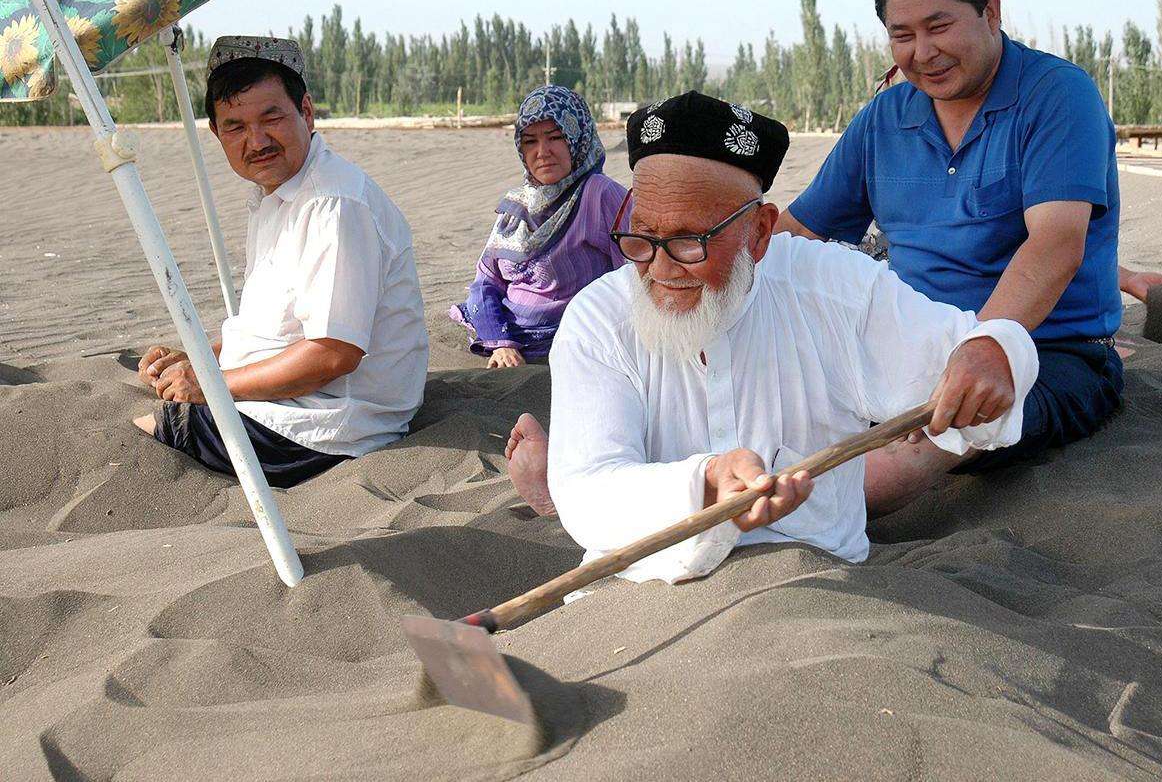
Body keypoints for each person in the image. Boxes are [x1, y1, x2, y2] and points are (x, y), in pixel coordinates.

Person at [506, 92, 1038, 583]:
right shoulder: (599, 318)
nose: (660, 268)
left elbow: (974, 354)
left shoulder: (836, 290)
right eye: (642, 238)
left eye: (690, 241)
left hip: (824, 588)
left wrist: (992, 353)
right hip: (646, 588)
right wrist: (706, 486)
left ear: (759, 233)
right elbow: (589, 493)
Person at [775, 0, 1162, 516]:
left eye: (939, 26)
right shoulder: (885, 118)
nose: (923, 53)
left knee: (899, 463)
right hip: (906, 343)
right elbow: (795, 236)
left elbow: (1055, 244)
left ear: (991, 11)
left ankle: (803, 510)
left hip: (1044, 352)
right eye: (902, 35)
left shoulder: (1058, 96)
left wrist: (989, 345)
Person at [133, 36, 429, 488]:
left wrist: (211, 384)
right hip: (288, 404)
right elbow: (282, 329)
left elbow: (334, 352)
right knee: (158, 410)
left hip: (326, 428)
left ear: (306, 112)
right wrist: (201, 360)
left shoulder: (333, 204)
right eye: (235, 127)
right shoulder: (280, 194)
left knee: (141, 438)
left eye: (271, 117)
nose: (257, 141)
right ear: (217, 134)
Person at [449, 85, 628, 368]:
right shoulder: (517, 205)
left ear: (577, 138)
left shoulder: (599, 194)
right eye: (530, 141)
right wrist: (501, 343)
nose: (542, 152)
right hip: (510, 342)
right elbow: (486, 281)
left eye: (555, 137)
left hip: (576, 341)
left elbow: (633, 278)